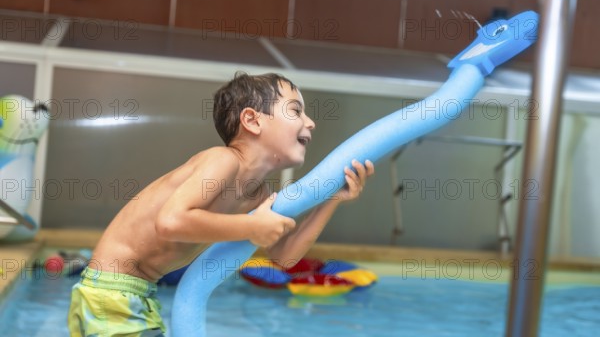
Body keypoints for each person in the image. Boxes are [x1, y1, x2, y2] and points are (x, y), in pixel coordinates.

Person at [67, 72, 375, 336]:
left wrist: (332, 199)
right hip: (110, 291)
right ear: (252, 120)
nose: (311, 122)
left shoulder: (258, 194)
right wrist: (252, 226)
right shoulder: (222, 161)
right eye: (296, 111)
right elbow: (170, 222)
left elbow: (284, 257)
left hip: (136, 293)